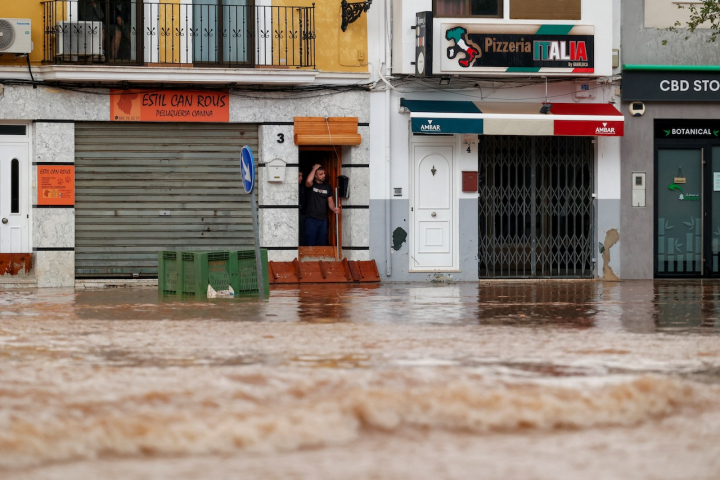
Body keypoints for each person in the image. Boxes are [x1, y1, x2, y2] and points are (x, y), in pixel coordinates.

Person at [304, 164, 340, 247]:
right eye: (320, 174)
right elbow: (308, 181)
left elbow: (330, 201)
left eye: (324, 173)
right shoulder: (311, 185)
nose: (323, 175)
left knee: (322, 244)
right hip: (311, 219)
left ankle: (320, 260)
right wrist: (314, 168)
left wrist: (334, 208)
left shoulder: (327, 186)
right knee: (310, 243)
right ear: (315, 176)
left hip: (323, 220)